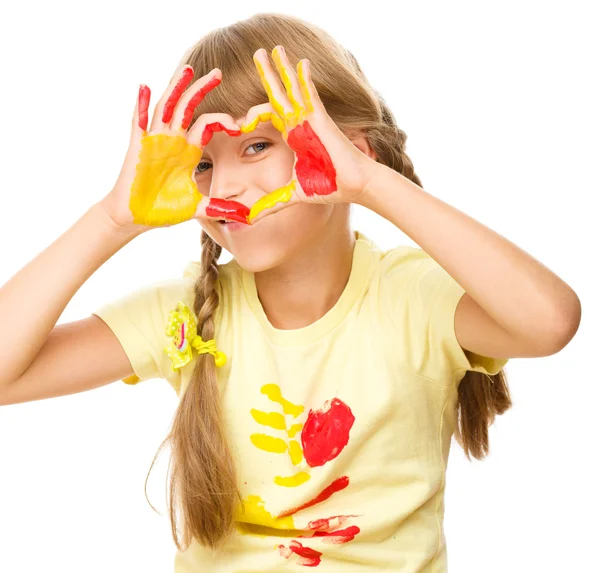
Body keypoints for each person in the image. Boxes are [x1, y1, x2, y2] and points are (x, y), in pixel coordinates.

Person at [0, 12, 581, 573]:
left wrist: (371, 183)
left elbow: (550, 321)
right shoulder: (185, 314)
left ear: (349, 146)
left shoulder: (411, 299)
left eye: (257, 146)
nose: (225, 185)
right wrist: (113, 219)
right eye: (203, 163)